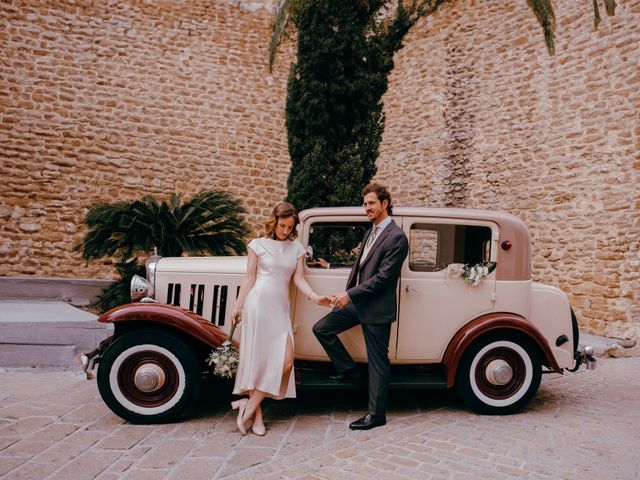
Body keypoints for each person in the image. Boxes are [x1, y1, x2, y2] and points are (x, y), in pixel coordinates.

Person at [313, 183, 409, 431]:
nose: (366, 208)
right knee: (322, 328)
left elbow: (383, 279)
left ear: (384, 204)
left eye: (371, 203)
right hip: (357, 303)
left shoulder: (397, 237)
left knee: (378, 362)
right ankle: (349, 370)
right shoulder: (370, 232)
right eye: (365, 204)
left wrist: (349, 295)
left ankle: (376, 415)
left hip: (376, 308)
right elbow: (360, 267)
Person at [231, 202, 331, 435]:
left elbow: (299, 280)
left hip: (279, 310)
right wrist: (238, 306)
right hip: (257, 305)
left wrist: (316, 297)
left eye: (290, 227)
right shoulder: (257, 245)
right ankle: (256, 418)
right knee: (258, 361)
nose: (285, 230)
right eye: (282, 225)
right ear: (274, 221)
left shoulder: (296, 249)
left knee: (285, 362)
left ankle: (248, 405)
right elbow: (249, 278)